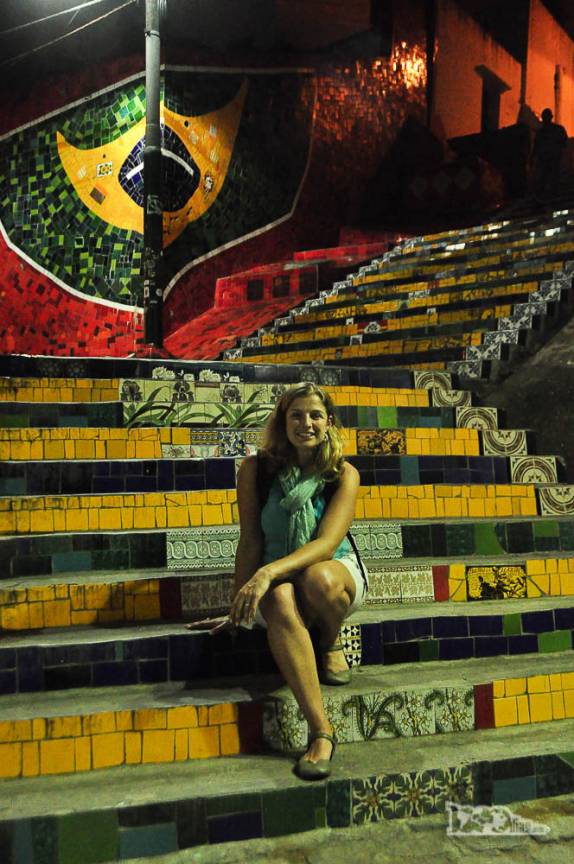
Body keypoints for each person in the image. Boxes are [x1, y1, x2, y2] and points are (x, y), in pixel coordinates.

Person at [189, 383, 368, 780]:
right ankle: (321, 731)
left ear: (329, 422)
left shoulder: (342, 474)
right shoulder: (256, 471)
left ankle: (330, 640)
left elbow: (327, 544)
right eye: (297, 415)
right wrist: (239, 600)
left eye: (315, 415)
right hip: (277, 579)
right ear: (283, 422)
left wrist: (266, 573)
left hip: (332, 572)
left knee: (317, 579)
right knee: (279, 599)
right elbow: (251, 539)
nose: (306, 423)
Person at [533, 108, 568, 201]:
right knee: (548, 178)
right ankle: (548, 196)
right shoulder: (556, 130)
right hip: (549, 159)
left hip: (550, 159)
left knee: (548, 178)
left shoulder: (542, 132)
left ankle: (547, 196)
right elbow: (564, 143)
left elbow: (536, 147)